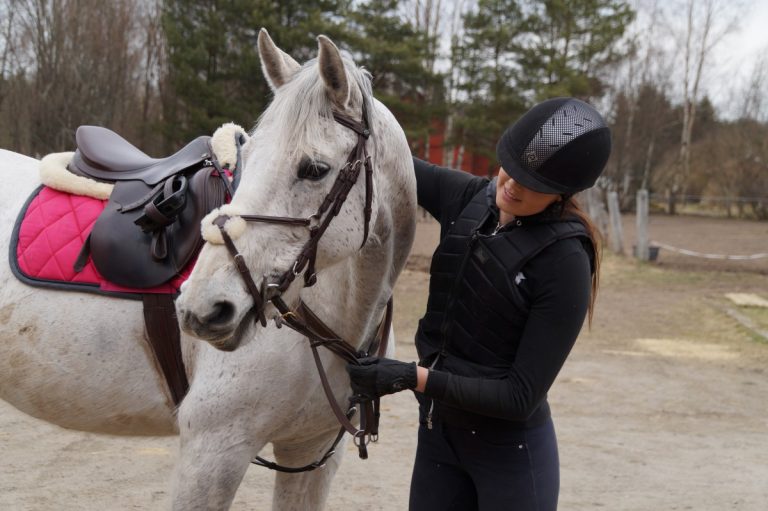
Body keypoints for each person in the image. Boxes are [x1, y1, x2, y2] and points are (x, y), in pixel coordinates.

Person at [347, 97, 611, 511]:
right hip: (438, 440)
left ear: (562, 193)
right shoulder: (471, 198)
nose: (511, 184)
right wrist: (342, 108)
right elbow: (392, 158)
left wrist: (409, 377)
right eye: (510, 166)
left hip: (510, 459)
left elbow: (519, 395)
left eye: (532, 182)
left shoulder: (566, 262)